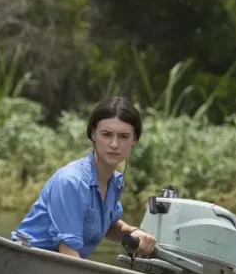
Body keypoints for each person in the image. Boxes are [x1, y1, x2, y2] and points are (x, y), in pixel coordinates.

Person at [13, 97, 157, 259]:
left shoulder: (115, 182)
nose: (114, 144)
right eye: (107, 134)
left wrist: (133, 231)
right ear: (93, 134)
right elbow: (68, 254)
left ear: (134, 140)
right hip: (26, 261)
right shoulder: (71, 182)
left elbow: (106, 225)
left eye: (123, 136)